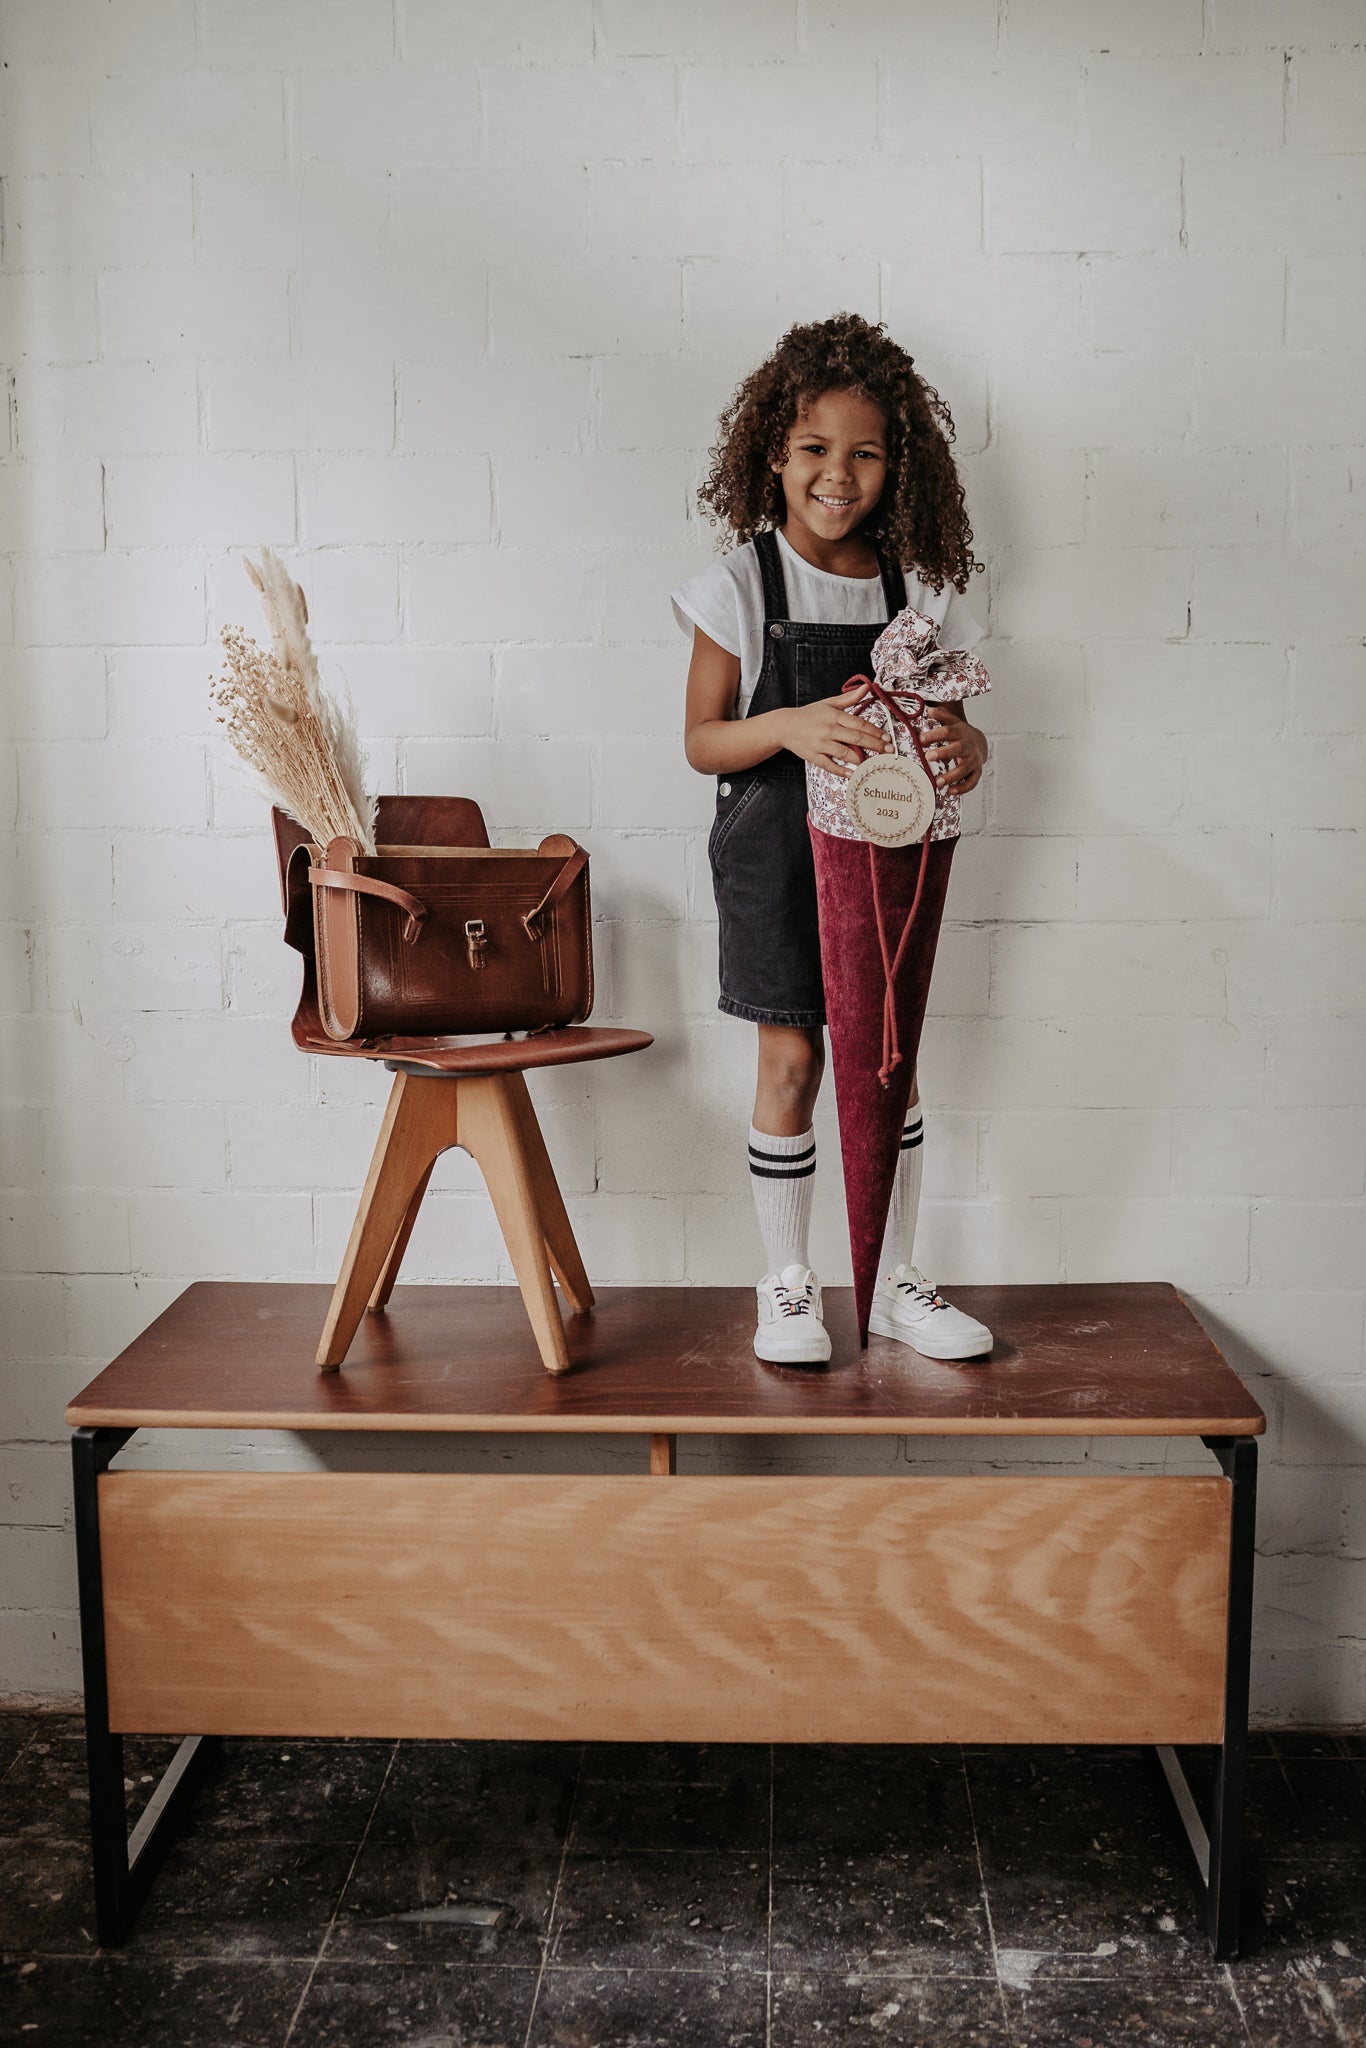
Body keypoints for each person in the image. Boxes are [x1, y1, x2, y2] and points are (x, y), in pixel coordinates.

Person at [674, 312, 993, 1367]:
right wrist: (787, 725)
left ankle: (893, 1282)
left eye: (863, 453)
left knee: (885, 1064)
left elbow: (949, 713)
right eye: (814, 449)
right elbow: (703, 740)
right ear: (773, 452)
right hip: (771, 856)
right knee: (794, 1057)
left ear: (895, 464)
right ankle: (787, 1283)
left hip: (881, 859)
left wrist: (967, 742)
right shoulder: (738, 584)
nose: (836, 475)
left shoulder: (913, 588)